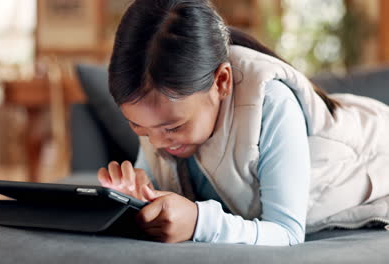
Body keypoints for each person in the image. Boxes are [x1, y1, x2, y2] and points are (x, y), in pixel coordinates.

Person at [97, 0, 389, 245]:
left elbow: (287, 232)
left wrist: (200, 223)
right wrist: (135, 198)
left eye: (173, 128)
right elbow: (162, 190)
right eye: (139, 127)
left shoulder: (273, 105)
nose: (157, 142)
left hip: (376, 148)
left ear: (222, 82)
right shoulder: (160, 117)